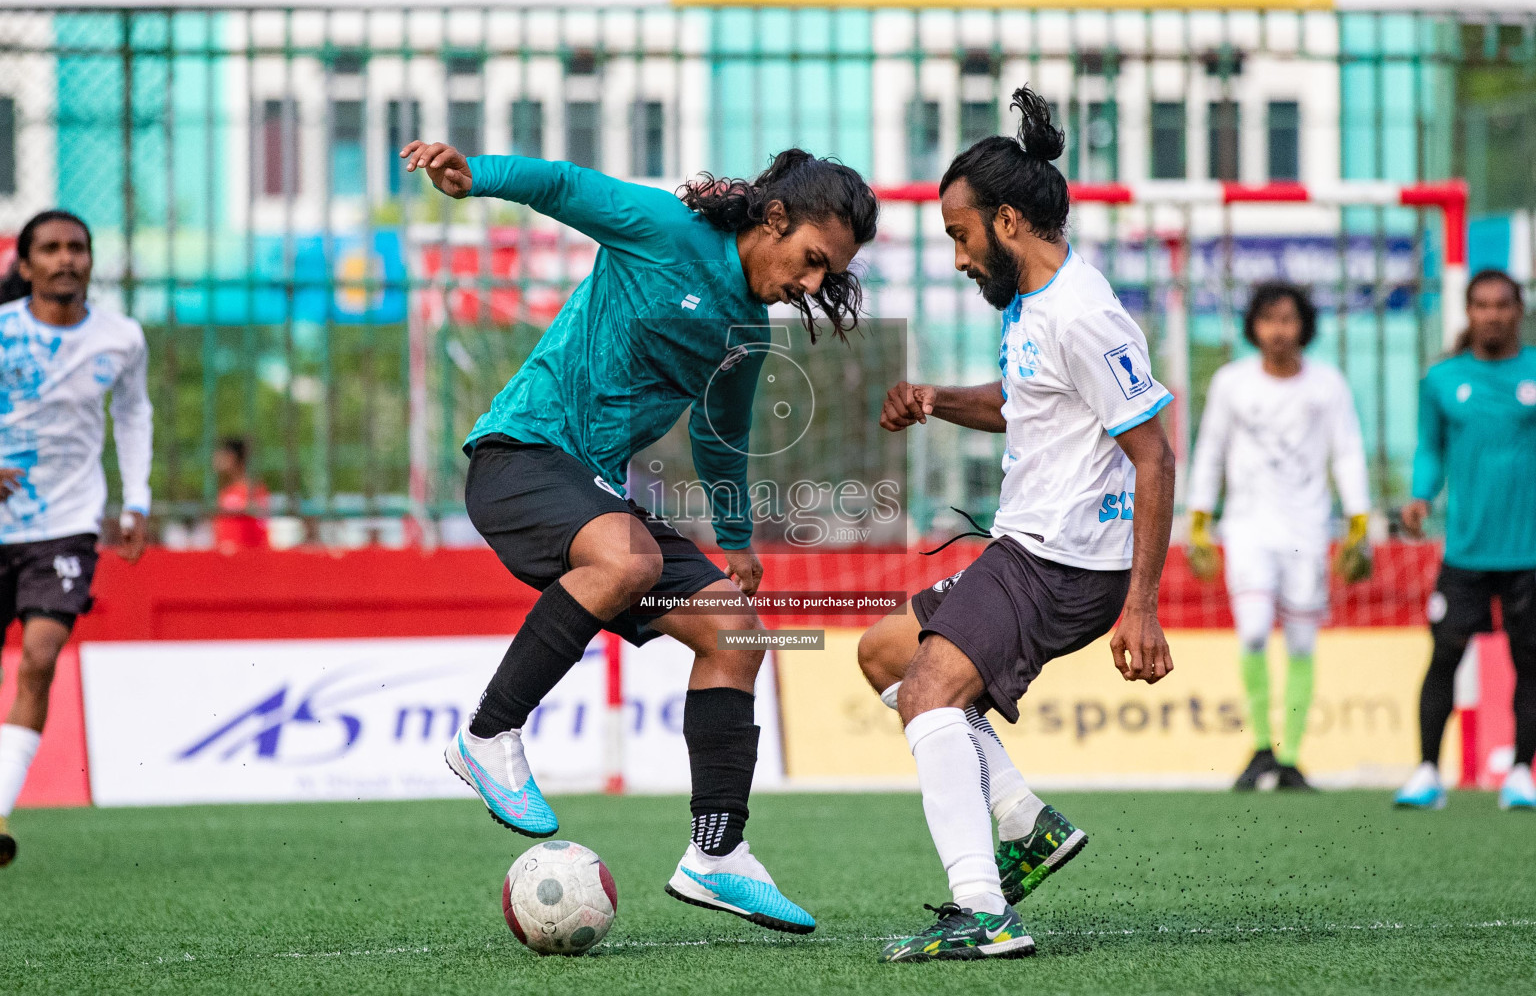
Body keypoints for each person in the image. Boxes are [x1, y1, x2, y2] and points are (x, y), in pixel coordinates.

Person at [400, 139, 877, 931]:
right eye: (814, 259)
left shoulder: (749, 329)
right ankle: (489, 735)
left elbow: (722, 438)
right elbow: (563, 181)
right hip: (520, 457)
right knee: (630, 555)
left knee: (737, 629)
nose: (815, 284)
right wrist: (473, 175)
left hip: (587, 486)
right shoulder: (664, 228)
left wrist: (737, 540)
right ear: (777, 216)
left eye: (830, 274)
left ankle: (716, 856)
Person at [856, 87, 1176, 963]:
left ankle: (983, 911)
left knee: (927, 693)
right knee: (885, 655)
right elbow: (1024, 404)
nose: (958, 257)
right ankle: (1025, 823)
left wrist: (1140, 606)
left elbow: (1154, 453)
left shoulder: (1084, 312)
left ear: (1005, 221)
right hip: (1029, 548)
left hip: (1062, 561)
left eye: (960, 236)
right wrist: (937, 400)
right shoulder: (1030, 307)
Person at [0, 210, 152, 866]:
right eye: (51, 249)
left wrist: (137, 500)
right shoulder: (3, 334)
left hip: (66, 522)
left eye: (77, 248)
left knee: (39, 656)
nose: (67, 259)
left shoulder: (121, 338)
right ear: (26, 265)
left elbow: (134, 412)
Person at [1187, 282, 1372, 792]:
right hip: (1247, 527)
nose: (1278, 331)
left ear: (1304, 325)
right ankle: (1261, 746)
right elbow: (1212, 450)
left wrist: (1359, 518)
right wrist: (1199, 516)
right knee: (1251, 629)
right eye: (1269, 320)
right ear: (1254, 326)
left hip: (1308, 530)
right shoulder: (1231, 383)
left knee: (1301, 643)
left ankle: (1290, 757)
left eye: (1288, 320)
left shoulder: (1328, 385)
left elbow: (1348, 451)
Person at [1395, 269, 1536, 811]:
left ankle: (1522, 772)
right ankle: (1428, 772)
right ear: (1469, 312)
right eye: (1482, 305)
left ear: (1518, 309)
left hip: (1528, 553)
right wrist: (1421, 495)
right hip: (1467, 552)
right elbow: (1430, 450)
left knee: (1531, 662)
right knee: (1444, 656)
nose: (1493, 314)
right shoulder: (1442, 380)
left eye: (1503, 304)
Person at [212, 438, 269, 552]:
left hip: (249, 558)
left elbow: (260, 528)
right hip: (225, 559)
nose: (216, 459)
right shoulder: (226, 492)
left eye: (223, 454)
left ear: (232, 457)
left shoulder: (254, 490)